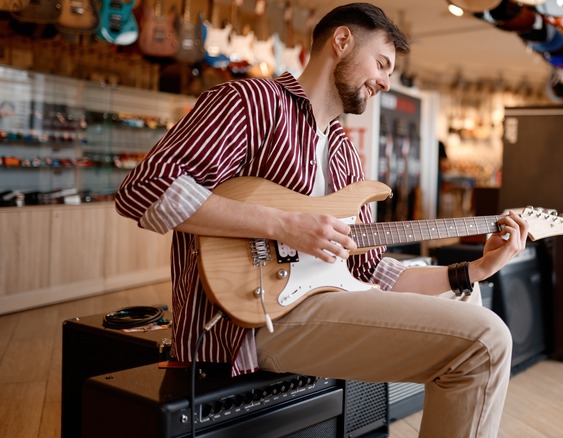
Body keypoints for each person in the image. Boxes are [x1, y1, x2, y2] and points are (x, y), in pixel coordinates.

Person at [115, 3, 530, 437]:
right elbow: (145, 190)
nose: (386, 81)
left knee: (469, 298)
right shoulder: (251, 103)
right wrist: (281, 225)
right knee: (487, 341)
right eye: (382, 63)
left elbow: (371, 272)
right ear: (342, 41)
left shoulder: (346, 155)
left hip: (325, 303)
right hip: (248, 324)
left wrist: (478, 269)